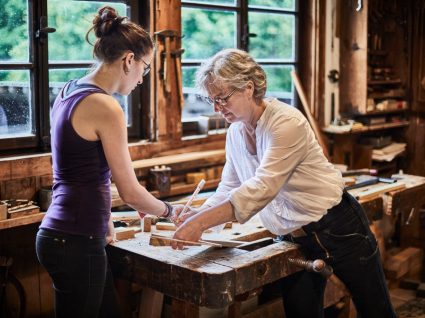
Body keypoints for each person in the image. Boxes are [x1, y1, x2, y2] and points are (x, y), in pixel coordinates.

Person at [171, 48, 396, 318]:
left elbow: (262, 189)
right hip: (291, 237)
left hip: (337, 227)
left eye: (222, 98)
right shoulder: (235, 132)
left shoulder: (285, 122)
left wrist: (200, 223)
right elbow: (229, 188)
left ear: (248, 87)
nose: (217, 108)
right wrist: (200, 214)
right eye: (212, 100)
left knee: (376, 310)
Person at [35, 6, 176, 318]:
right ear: (129, 60)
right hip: (74, 240)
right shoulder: (106, 106)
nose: (143, 78)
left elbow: (79, 170)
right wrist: (171, 212)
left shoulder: (69, 90)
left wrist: (105, 220)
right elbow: (129, 191)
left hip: (62, 234)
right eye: (145, 67)